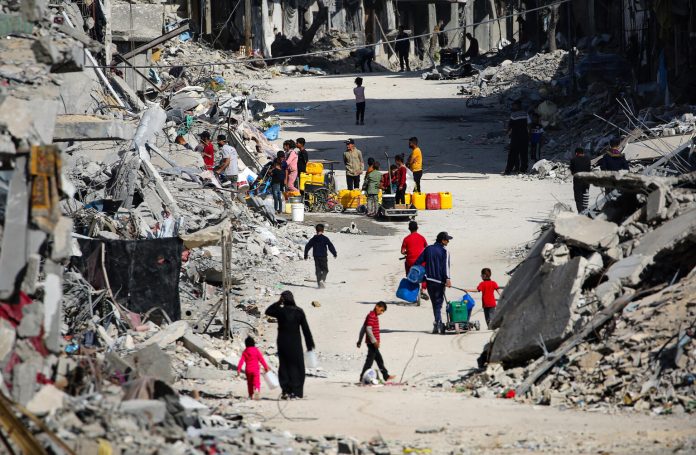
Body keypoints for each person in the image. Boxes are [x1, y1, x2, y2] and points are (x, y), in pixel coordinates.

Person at [265, 291, 315, 399]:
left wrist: (278, 302)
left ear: (283, 299)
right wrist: (309, 344)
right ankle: (296, 391)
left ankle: (286, 390)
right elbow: (306, 329)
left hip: (282, 342)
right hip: (295, 343)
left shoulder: (280, 311)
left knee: (284, 366)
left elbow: (268, 311)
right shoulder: (299, 312)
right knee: (298, 366)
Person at [415, 232, 452, 334]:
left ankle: (437, 323)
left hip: (429, 280)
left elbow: (417, 262)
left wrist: (423, 273)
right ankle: (438, 323)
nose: (448, 242)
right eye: (447, 240)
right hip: (440, 281)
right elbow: (446, 267)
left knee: (434, 302)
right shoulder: (445, 251)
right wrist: (448, 279)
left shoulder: (428, 249)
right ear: (442, 240)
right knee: (439, 303)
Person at [357, 302, 395, 383]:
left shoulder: (372, 316)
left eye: (383, 312)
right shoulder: (372, 316)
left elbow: (363, 328)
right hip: (372, 343)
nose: (381, 313)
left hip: (373, 343)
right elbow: (368, 329)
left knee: (379, 360)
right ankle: (362, 378)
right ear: (376, 306)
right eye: (381, 310)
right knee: (369, 362)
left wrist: (360, 340)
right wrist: (374, 342)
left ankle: (386, 376)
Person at [304, 224, 337, 288]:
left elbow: (307, 246)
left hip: (316, 256)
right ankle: (322, 279)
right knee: (325, 270)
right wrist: (334, 253)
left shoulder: (313, 239)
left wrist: (305, 255)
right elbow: (330, 246)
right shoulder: (325, 238)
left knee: (318, 270)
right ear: (323, 230)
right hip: (323, 256)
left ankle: (319, 284)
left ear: (316, 230)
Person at [401, 221, 428, 300]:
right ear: (417, 228)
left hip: (410, 261)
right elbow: (426, 247)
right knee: (425, 273)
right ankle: (423, 289)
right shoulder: (422, 237)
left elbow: (402, 251)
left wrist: (407, 252)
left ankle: (411, 285)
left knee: (409, 271)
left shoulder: (406, 239)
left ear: (409, 229)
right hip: (421, 261)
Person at [237, 336, 270, 400]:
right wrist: (266, 367)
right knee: (256, 382)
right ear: (253, 343)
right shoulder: (256, 350)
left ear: (246, 344)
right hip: (255, 370)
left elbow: (241, 361)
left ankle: (250, 395)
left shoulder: (245, 351)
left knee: (249, 383)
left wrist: (238, 369)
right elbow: (261, 359)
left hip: (248, 370)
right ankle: (257, 389)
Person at [504, 100, 529, 175]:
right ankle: (523, 169)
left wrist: (507, 132)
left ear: (517, 106)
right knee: (524, 154)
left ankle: (508, 170)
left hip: (516, 136)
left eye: (514, 105)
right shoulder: (525, 114)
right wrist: (529, 134)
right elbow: (529, 124)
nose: (512, 106)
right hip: (524, 136)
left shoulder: (514, 115)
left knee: (513, 154)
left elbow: (510, 125)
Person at [570, 147, 591, 213]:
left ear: (576, 153)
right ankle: (585, 210)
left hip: (577, 181)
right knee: (585, 196)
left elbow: (572, 172)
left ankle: (580, 212)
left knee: (578, 198)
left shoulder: (573, 160)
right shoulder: (588, 159)